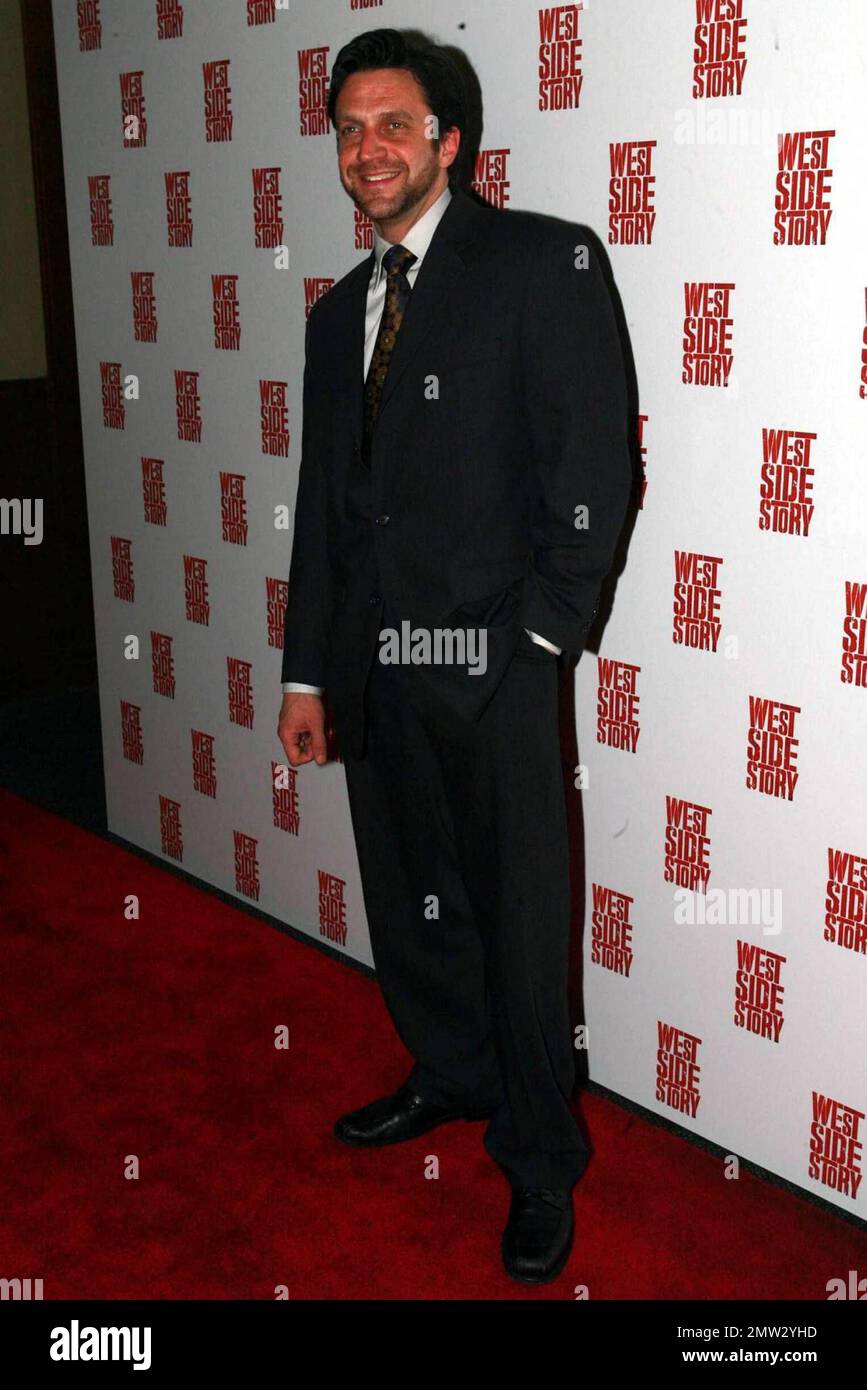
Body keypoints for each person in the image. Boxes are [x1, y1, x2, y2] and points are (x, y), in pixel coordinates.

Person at [277, 27, 632, 1284]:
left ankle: (540, 1160)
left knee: (523, 933)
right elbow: (329, 505)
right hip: (374, 679)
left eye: (392, 124)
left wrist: (529, 643)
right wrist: (308, 673)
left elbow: (594, 474)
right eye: (347, 127)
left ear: (449, 142)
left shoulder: (542, 264)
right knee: (412, 898)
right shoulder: (336, 319)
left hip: (492, 675)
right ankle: (450, 1070)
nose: (366, 148)